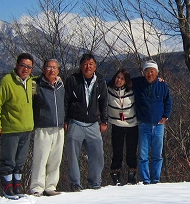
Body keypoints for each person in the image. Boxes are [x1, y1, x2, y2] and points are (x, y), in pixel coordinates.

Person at [0, 53, 35, 199]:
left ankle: (17, 185)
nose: (25, 69)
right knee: (8, 160)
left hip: (26, 128)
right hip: (10, 129)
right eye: (23, 65)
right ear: (16, 65)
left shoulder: (31, 82)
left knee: (20, 161)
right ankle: (7, 187)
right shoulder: (7, 81)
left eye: (29, 67)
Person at [64, 53, 108, 190]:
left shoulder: (100, 81)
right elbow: (65, 101)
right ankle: (75, 183)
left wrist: (104, 121)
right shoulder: (73, 80)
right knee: (72, 156)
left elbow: (104, 102)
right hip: (75, 122)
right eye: (85, 64)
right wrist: (65, 120)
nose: (88, 67)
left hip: (93, 123)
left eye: (91, 64)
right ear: (80, 66)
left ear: (95, 66)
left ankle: (95, 182)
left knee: (98, 155)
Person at [132, 60, 172, 185]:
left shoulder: (162, 86)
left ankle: (156, 179)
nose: (150, 74)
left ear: (157, 72)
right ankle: (146, 179)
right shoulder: (137, 83)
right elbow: (121, 81)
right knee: (143, 155)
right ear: (143, 72)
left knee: (157, 154)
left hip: (159, 125)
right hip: (143, 124)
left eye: (152, 71)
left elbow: (168, 102)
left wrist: (166, 116)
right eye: (147, 71)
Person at [30, 58, 66, 196]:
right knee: (41, 158)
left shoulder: (61, 84)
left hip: (58, 126)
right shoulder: (37, 84)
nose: (52, 70)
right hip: (43, 126)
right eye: (49, 67)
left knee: (55, 159)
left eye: (55, 68)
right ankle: (37, 187)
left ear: (58, 70)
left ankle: (50, 186)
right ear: (44, 69)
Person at [107, 69, 138, 185]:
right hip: (116, 124)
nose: (119, 80)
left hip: (132, 124)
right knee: (117, 152)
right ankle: (115, 177)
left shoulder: (132, 90)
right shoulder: (108, 89)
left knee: (131, 152)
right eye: (117, 77)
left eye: (122, 78)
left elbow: (143, 81)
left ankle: (132, 177)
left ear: (126, 81)